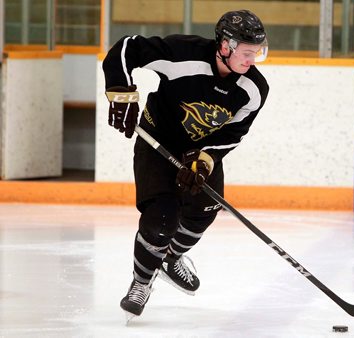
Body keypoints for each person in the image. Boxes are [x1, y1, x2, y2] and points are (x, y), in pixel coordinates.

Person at [102, 9, 269, 320]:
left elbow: (234, 133)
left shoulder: (254, 90)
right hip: (158, 144)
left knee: (203, 212)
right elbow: (126, 49)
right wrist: (122, 93)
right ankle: (141, 282)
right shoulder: (183, 54)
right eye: (247, 53)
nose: (252, 61)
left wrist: (206, 158)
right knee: (161, 218)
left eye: (256, 53)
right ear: (225, 46)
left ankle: (171, 258)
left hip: (198, 153)